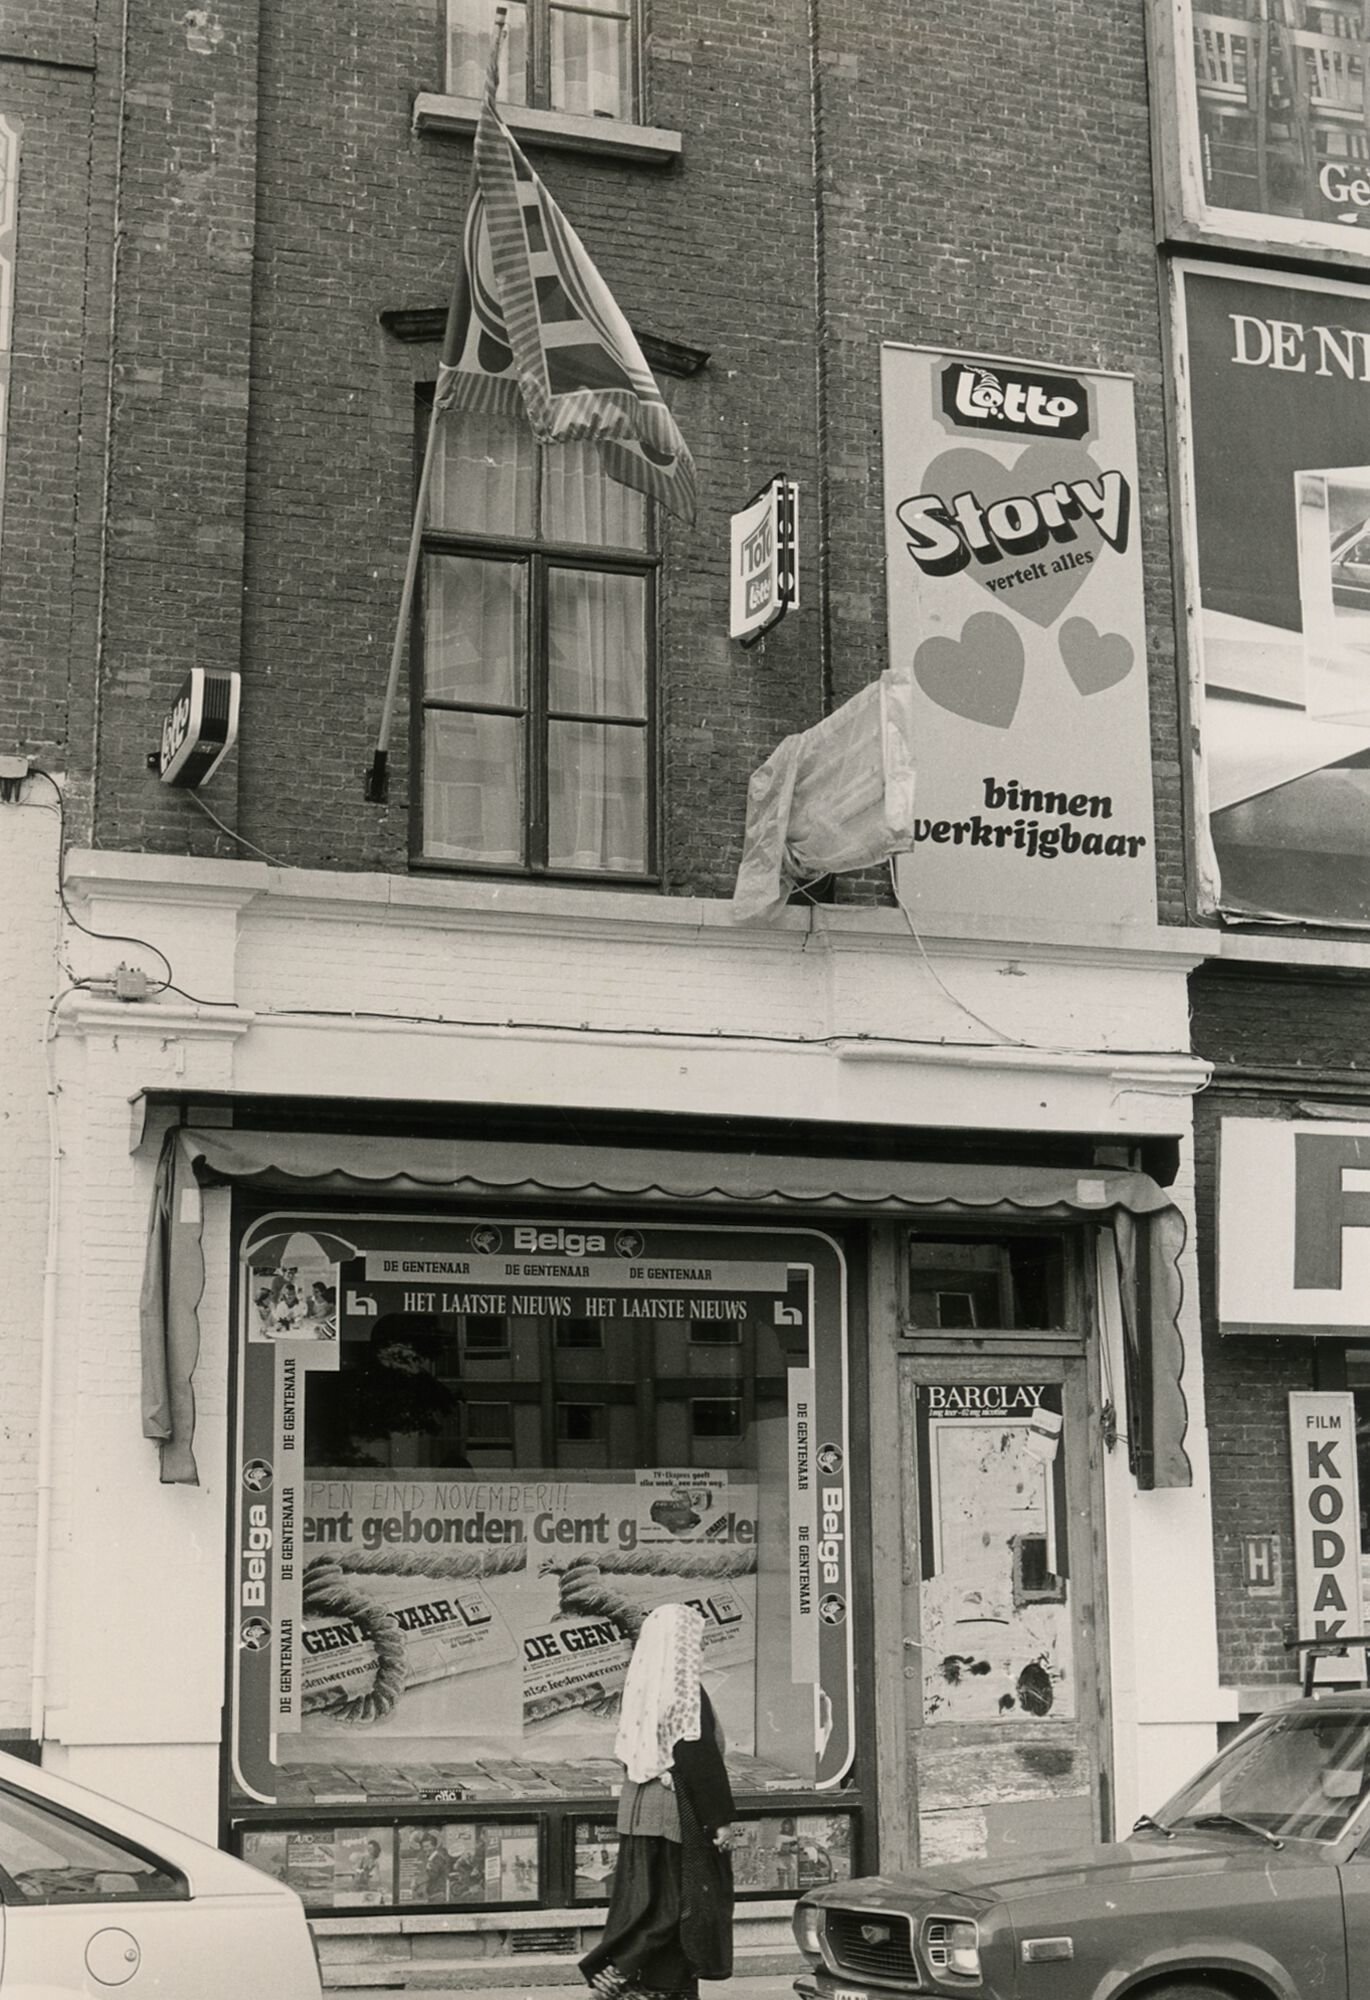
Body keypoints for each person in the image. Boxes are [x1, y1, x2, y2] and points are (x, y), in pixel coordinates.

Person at [580, 1603, 736, 2000]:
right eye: (694, 1641)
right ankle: (616, 1970)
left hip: (639, 1810)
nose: (699, 1651)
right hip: (674, 1813)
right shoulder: (684, 1692)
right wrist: (719, 1821)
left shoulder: (643, 1684)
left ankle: (651, 1982)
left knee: (645, 1902)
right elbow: (697, 1756)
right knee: (677, 1905)